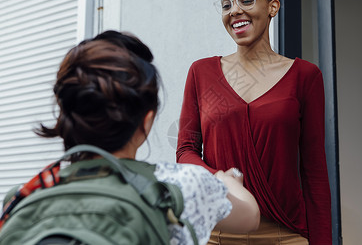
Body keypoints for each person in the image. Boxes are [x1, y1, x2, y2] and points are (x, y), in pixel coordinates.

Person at [0, 31, 260, 245]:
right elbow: (250, 216)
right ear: (146, 122)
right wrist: (224, 180)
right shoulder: (181, 185)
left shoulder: (21, 197)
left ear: (67, 118)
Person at [176, 0, 331, 244]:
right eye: (226, 4)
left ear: (272, 7)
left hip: (285, 235)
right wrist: (220, 179)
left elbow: (314, 171)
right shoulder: (201, 72)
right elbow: (186, 151)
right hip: (216, 233)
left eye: (246, 0)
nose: (234, 11)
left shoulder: (305, 76)